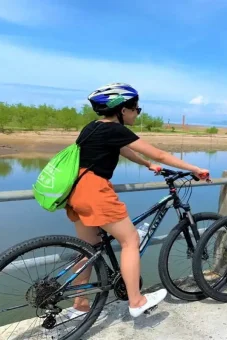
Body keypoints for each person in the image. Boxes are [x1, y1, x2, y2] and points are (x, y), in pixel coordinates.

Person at [65, 83, 210, 318]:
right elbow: (160, 153)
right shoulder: (116, 129)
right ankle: (136, 300)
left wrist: (146, 165)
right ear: (123, 110)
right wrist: (195, 168)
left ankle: (79, 303)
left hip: (76, 191)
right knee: (130, 240)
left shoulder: (92, 127)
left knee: (88, 249)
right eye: (136, 109)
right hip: (95, 191)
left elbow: (123, 150)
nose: (137, 113)